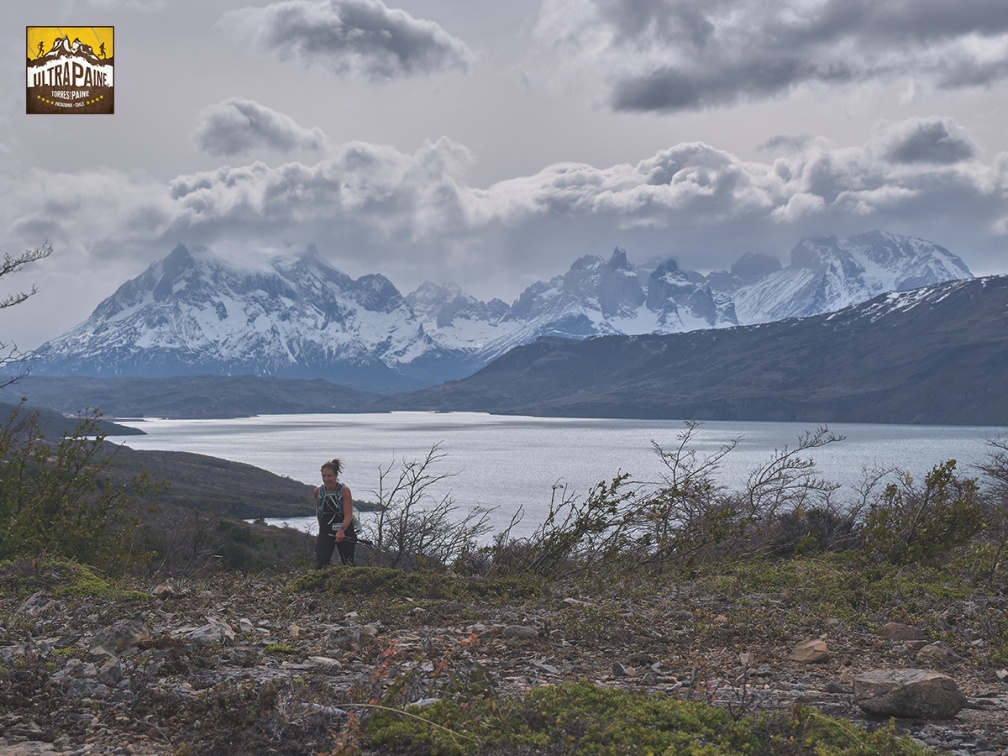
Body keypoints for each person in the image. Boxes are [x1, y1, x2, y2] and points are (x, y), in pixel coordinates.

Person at [314, 458, 356, 568]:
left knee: (348, 563)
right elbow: (319, 512)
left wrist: (341, 530)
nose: (326, 479)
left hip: (345, 529)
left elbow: (348, 515)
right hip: (326, 530)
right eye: (324, 476)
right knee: (321, 563)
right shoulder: (318, 492)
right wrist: (322, 529)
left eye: (329, 476)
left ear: (335, 476)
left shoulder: (344, 490)